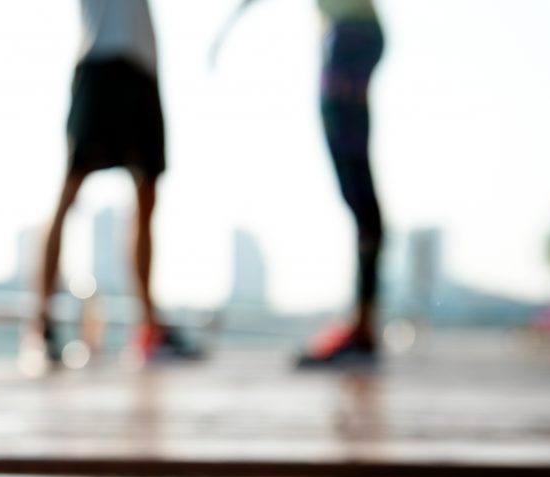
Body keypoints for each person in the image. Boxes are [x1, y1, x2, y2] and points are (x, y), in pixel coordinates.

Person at [213, 0, 385, 367]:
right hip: (357, 34)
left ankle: (362, 328)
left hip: (349, 35)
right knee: (358, 188)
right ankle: (363, 323)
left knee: (357, 186)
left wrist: (225, 31)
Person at [32, 0, 199, 364]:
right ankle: (40, 325)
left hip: (143, 66)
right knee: (70, 191)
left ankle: (149, 329)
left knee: (147, 196)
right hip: (99, 62)